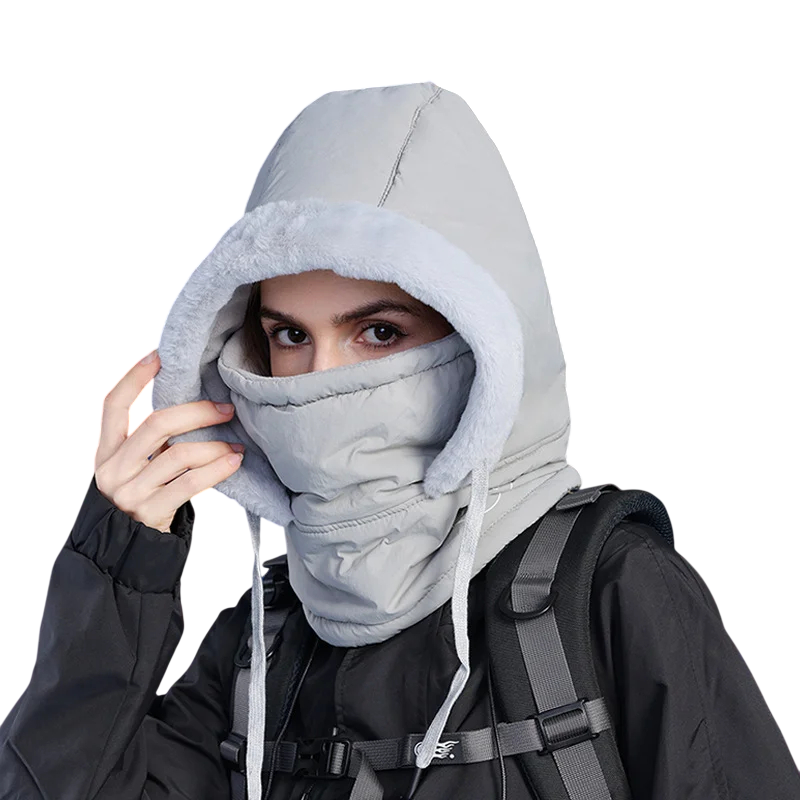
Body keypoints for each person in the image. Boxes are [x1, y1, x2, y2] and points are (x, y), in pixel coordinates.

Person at [1, 81, 798, 800]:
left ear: (486, 339)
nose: (321, 380)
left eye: (379, 331)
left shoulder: (612, 592)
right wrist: (118, 570)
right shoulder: (263, 642)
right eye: (289, 335)